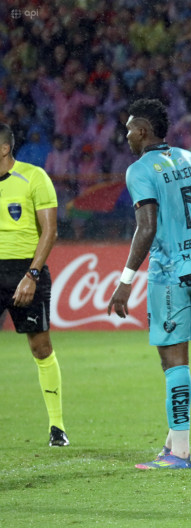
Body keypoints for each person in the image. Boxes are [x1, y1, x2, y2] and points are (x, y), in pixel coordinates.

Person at [106, 99, 191, 469]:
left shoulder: (139, 169)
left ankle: (180, 454)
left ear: (143, 131)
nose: (126, 135)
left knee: (172, 360)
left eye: (130, 128)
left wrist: (125, 281)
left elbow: (145, 228)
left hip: (170, 274)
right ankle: (172, 444)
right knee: (177, 359)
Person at [0, 122, 69, 447]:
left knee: (40, 348)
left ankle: (57, 427)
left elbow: (50, 231)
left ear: (4, 148)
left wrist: (32, 274)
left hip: (24, 271)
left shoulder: (34, 177)